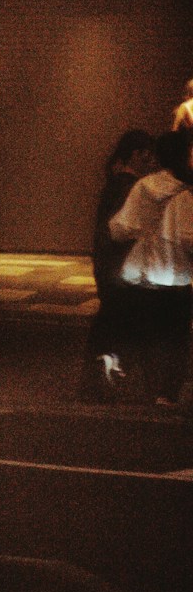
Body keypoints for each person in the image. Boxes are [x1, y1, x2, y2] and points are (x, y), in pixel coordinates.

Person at [108, 126, 193, 408]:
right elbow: (188, 237)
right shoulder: (187, 193)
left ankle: (150, 388)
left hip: (144, 275)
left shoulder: (144, 187)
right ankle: (167, 392)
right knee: (176, 337)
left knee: (149, 334)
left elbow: (121, 229)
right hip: (178, 276)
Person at [80, 128, 155, 400]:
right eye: (147, 156)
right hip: (119, 266)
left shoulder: (115, 183)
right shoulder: (129, 187)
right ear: (136, 155)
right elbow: (123, 230)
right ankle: (102, 382)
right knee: (118, 325)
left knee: (110, 323)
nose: (151, 163)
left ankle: (98, 381)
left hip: (108, 264)